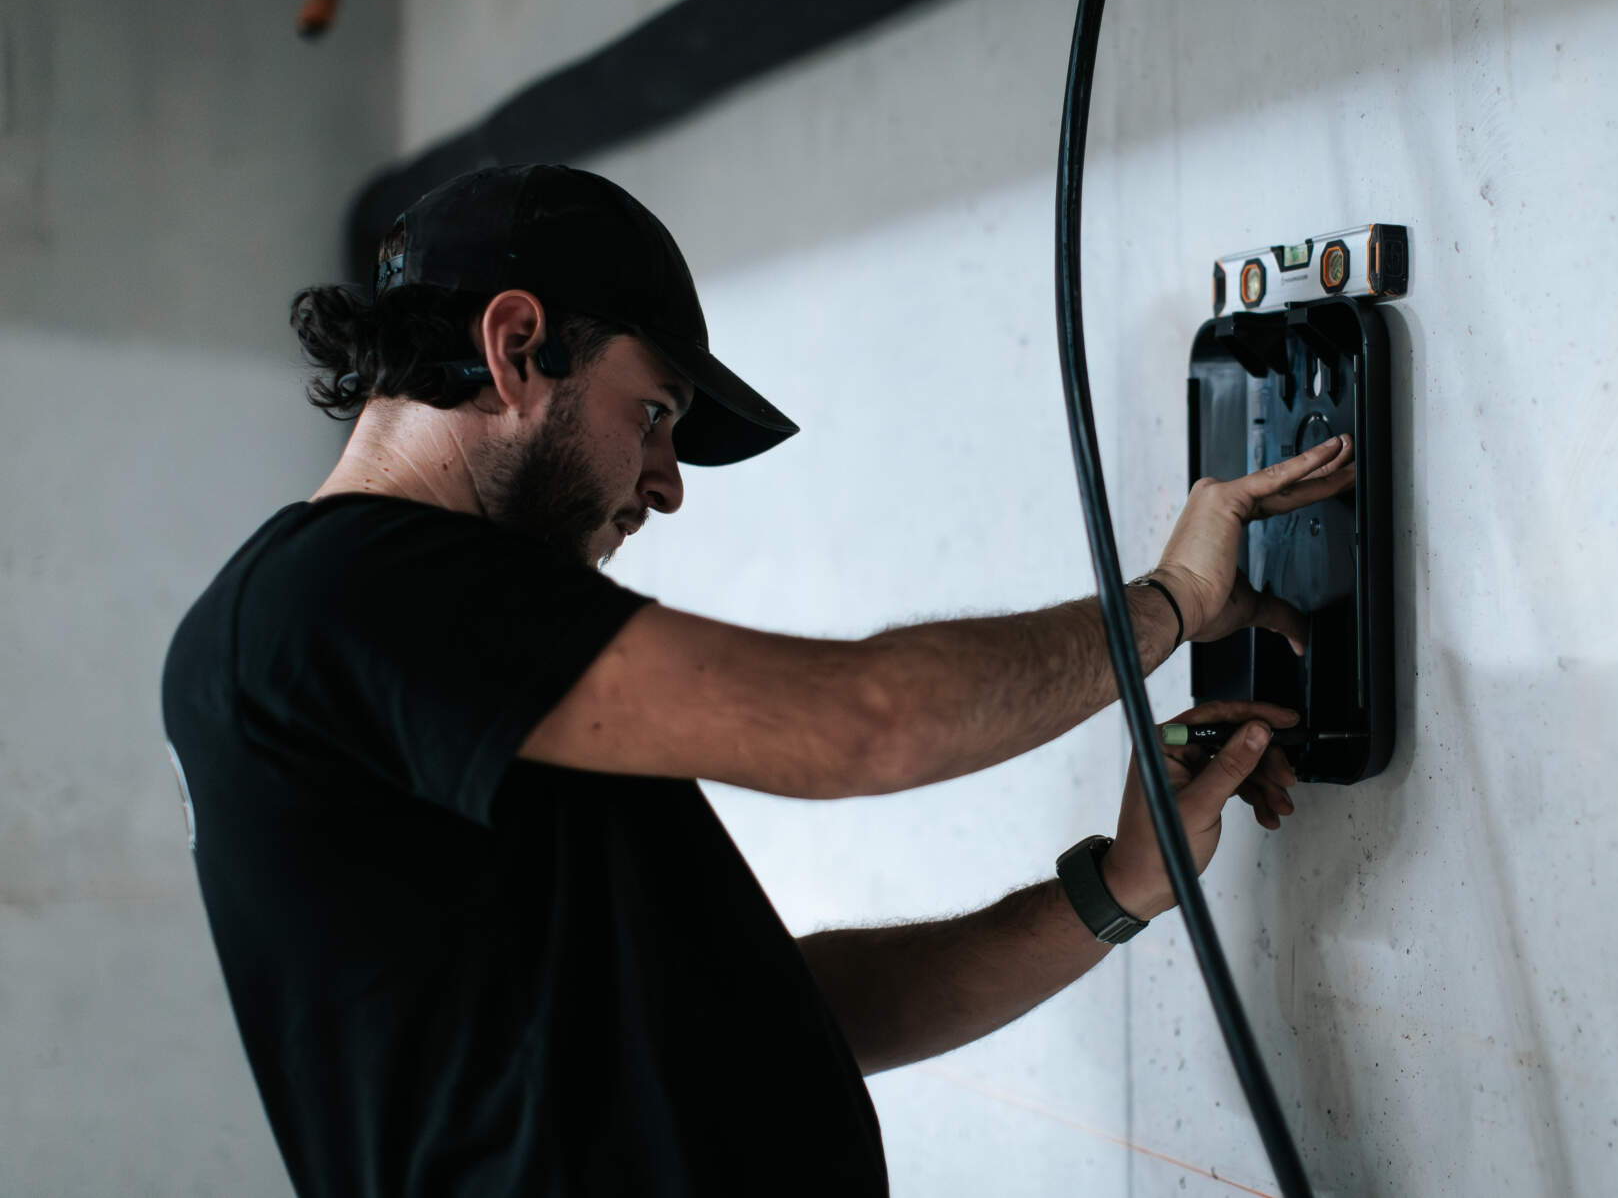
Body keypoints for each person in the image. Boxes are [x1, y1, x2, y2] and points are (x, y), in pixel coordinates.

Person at [160, 164, 1356, 1196]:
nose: (666, 481)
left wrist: (1113, 889)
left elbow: (773, 1024)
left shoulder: (401, 638)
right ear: (515, 346)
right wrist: (1169, 604)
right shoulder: (352, 591)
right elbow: (866, 723)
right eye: (656, 412)